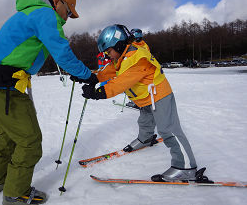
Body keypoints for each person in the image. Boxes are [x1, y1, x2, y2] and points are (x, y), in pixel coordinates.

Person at [0, 0, 98, 205]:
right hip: (5, 87)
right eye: (69, 12)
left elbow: (31, 51)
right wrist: (86, 75)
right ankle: (15, 194)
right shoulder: (46, 14)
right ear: (58, 2)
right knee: (29, 141)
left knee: (7, 135)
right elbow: (61, 52)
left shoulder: (31, 11)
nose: (69, 17)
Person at [80, 24, 199, 182]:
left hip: (159, 95)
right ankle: (146, 139)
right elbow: (111, 70)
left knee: (168, 130)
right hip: (146, 98)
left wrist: (98, 92)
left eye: (109, 51)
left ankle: (185, 167)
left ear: (119, 44)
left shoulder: (137, 58)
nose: (108, 56)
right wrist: (93, 77)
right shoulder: (123, 57)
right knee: (145, 121)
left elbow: (121, 82)